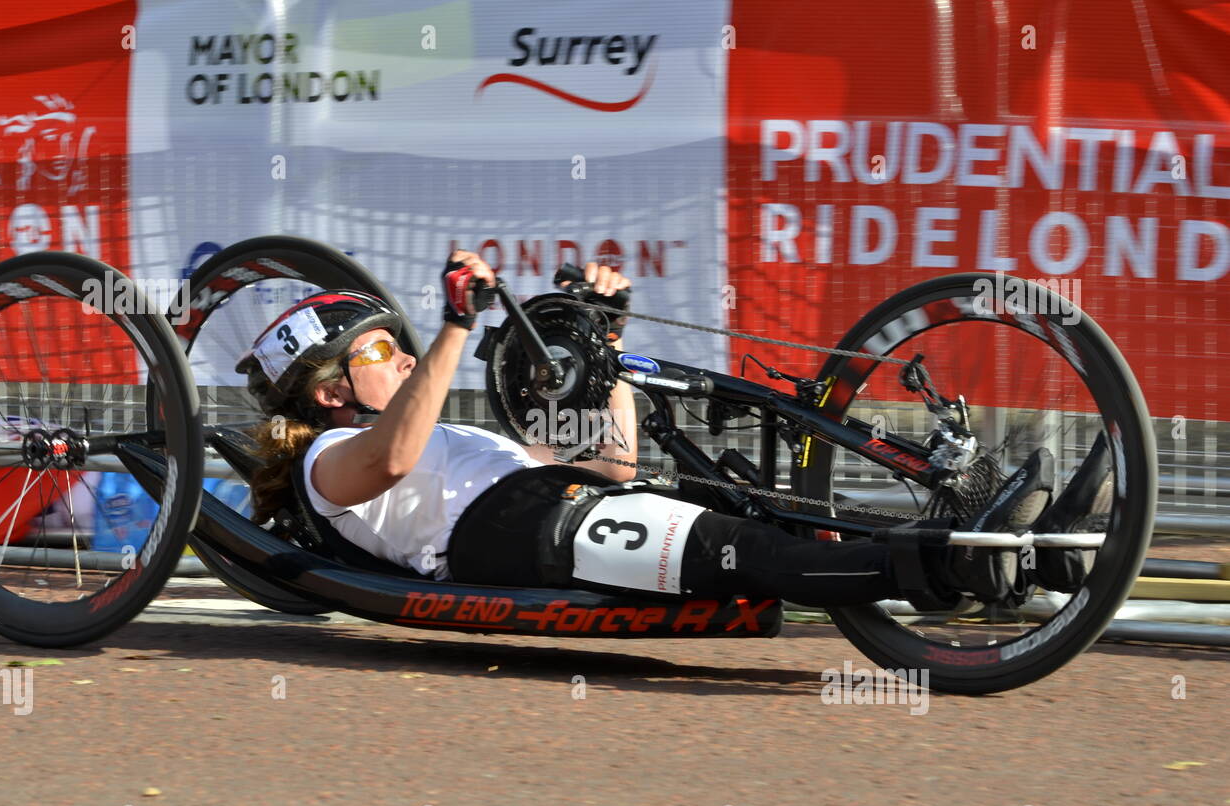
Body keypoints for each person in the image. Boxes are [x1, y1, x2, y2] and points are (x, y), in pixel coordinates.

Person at [236, 250, 1060, 610]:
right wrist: (456, 325)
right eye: (382, 351)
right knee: (767, 558)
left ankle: (1040, 542)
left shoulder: (458, 445)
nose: (407, 359)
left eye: (404, 343)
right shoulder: (328, 461)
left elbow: (611, 464)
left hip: (554, 509)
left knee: (780, 517)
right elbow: (394, 457)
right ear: (331, 391)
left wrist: (609, 347)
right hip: (510, 534)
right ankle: (964, 570)